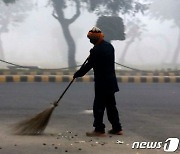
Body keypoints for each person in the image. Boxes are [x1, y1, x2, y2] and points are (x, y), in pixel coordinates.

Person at [73, 26, 123, 137]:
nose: (90, 41)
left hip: (102, 82)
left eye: (91, 38)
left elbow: (88, 65)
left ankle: (99, 130)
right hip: (111, 81)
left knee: (98, 106)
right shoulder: (109, 47)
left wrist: (78, 74)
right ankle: (117, 128)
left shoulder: (96, 50)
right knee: (111, 106)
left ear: (95, 38)